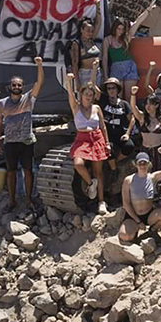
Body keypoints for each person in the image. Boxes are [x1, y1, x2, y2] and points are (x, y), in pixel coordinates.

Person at [0, 56, 44, 210]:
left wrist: (39, 65)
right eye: (14, 84)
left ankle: (28, 199)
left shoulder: (29, 99)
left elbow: (39, 82)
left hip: (26, 141)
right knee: (11, 172)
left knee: (28, 171)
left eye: (19, 85)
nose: (16, 86)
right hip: (10, 142)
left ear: (23, 87)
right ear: (10, 86)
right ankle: (12, 200)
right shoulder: (2, 103)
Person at [65, 72, 111, 215]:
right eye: (86, 95)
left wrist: (107, 143)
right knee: (78, 164)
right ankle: (91, 184)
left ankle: (101, 202)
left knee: (99, 172)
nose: (89, 97)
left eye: (91, 95)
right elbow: (70, 94)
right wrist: (69, 80)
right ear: (82, 95)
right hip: (82, 139)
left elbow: (103, 126)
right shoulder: (76, 107)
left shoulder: (96, 109)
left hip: (97, 138)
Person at [119, 149, 161, 242]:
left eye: (144, 163)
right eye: (140, 163)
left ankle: (152, 231)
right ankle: (135, 233)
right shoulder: (128, 180)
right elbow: (126, 204)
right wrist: (138, 221)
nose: (142, 165)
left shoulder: (153, 177)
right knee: (125, 236)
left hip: (149, 214)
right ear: (135, 164)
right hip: (133, 216)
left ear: (148, 164)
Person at [102, 4, 155, 101]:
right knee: (118, 97)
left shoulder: (126, 38)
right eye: (119, 29)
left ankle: (130, 114)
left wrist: (148, 10)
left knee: (129, 96)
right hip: (115, 68)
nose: (120, 31)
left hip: (129, 67)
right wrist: (105, 74)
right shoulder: (108, 40)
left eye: (122, 29)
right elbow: (105, 58)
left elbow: (137, 22)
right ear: (114, 28)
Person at [96, 78, 135, 176]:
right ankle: (113, 170)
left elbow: (132, 119)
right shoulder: (104, 100)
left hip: (119, 132)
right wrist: (95, 68)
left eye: (113, 88)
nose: (111, 90)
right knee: (108, 149)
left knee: (129, 146)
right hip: (107, 133)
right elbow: (92, 86)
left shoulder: (124, 104)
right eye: (109, 88)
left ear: (117, 89)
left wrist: (127, 134)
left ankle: (116, 163)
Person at [129, 86, 161, 174]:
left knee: (160, 175)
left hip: (159, 151)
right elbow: (133, 107)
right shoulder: (142, 118)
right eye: (146, 104)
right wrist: (133, 94)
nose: (148, 106)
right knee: (145, 174)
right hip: (145, 150)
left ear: (156, 105)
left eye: (151, 104)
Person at [69, 0, 103, 91]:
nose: (90, 33)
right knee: (85, 98)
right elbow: (74, 63)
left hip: (97, 73)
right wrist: (78, 82)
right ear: (81, 30)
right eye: (87, 30)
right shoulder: (77, 43)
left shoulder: (92, 40)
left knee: (96, 98)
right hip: (85, 74)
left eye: (91, 31)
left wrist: (98, 7)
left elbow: (98, 23)